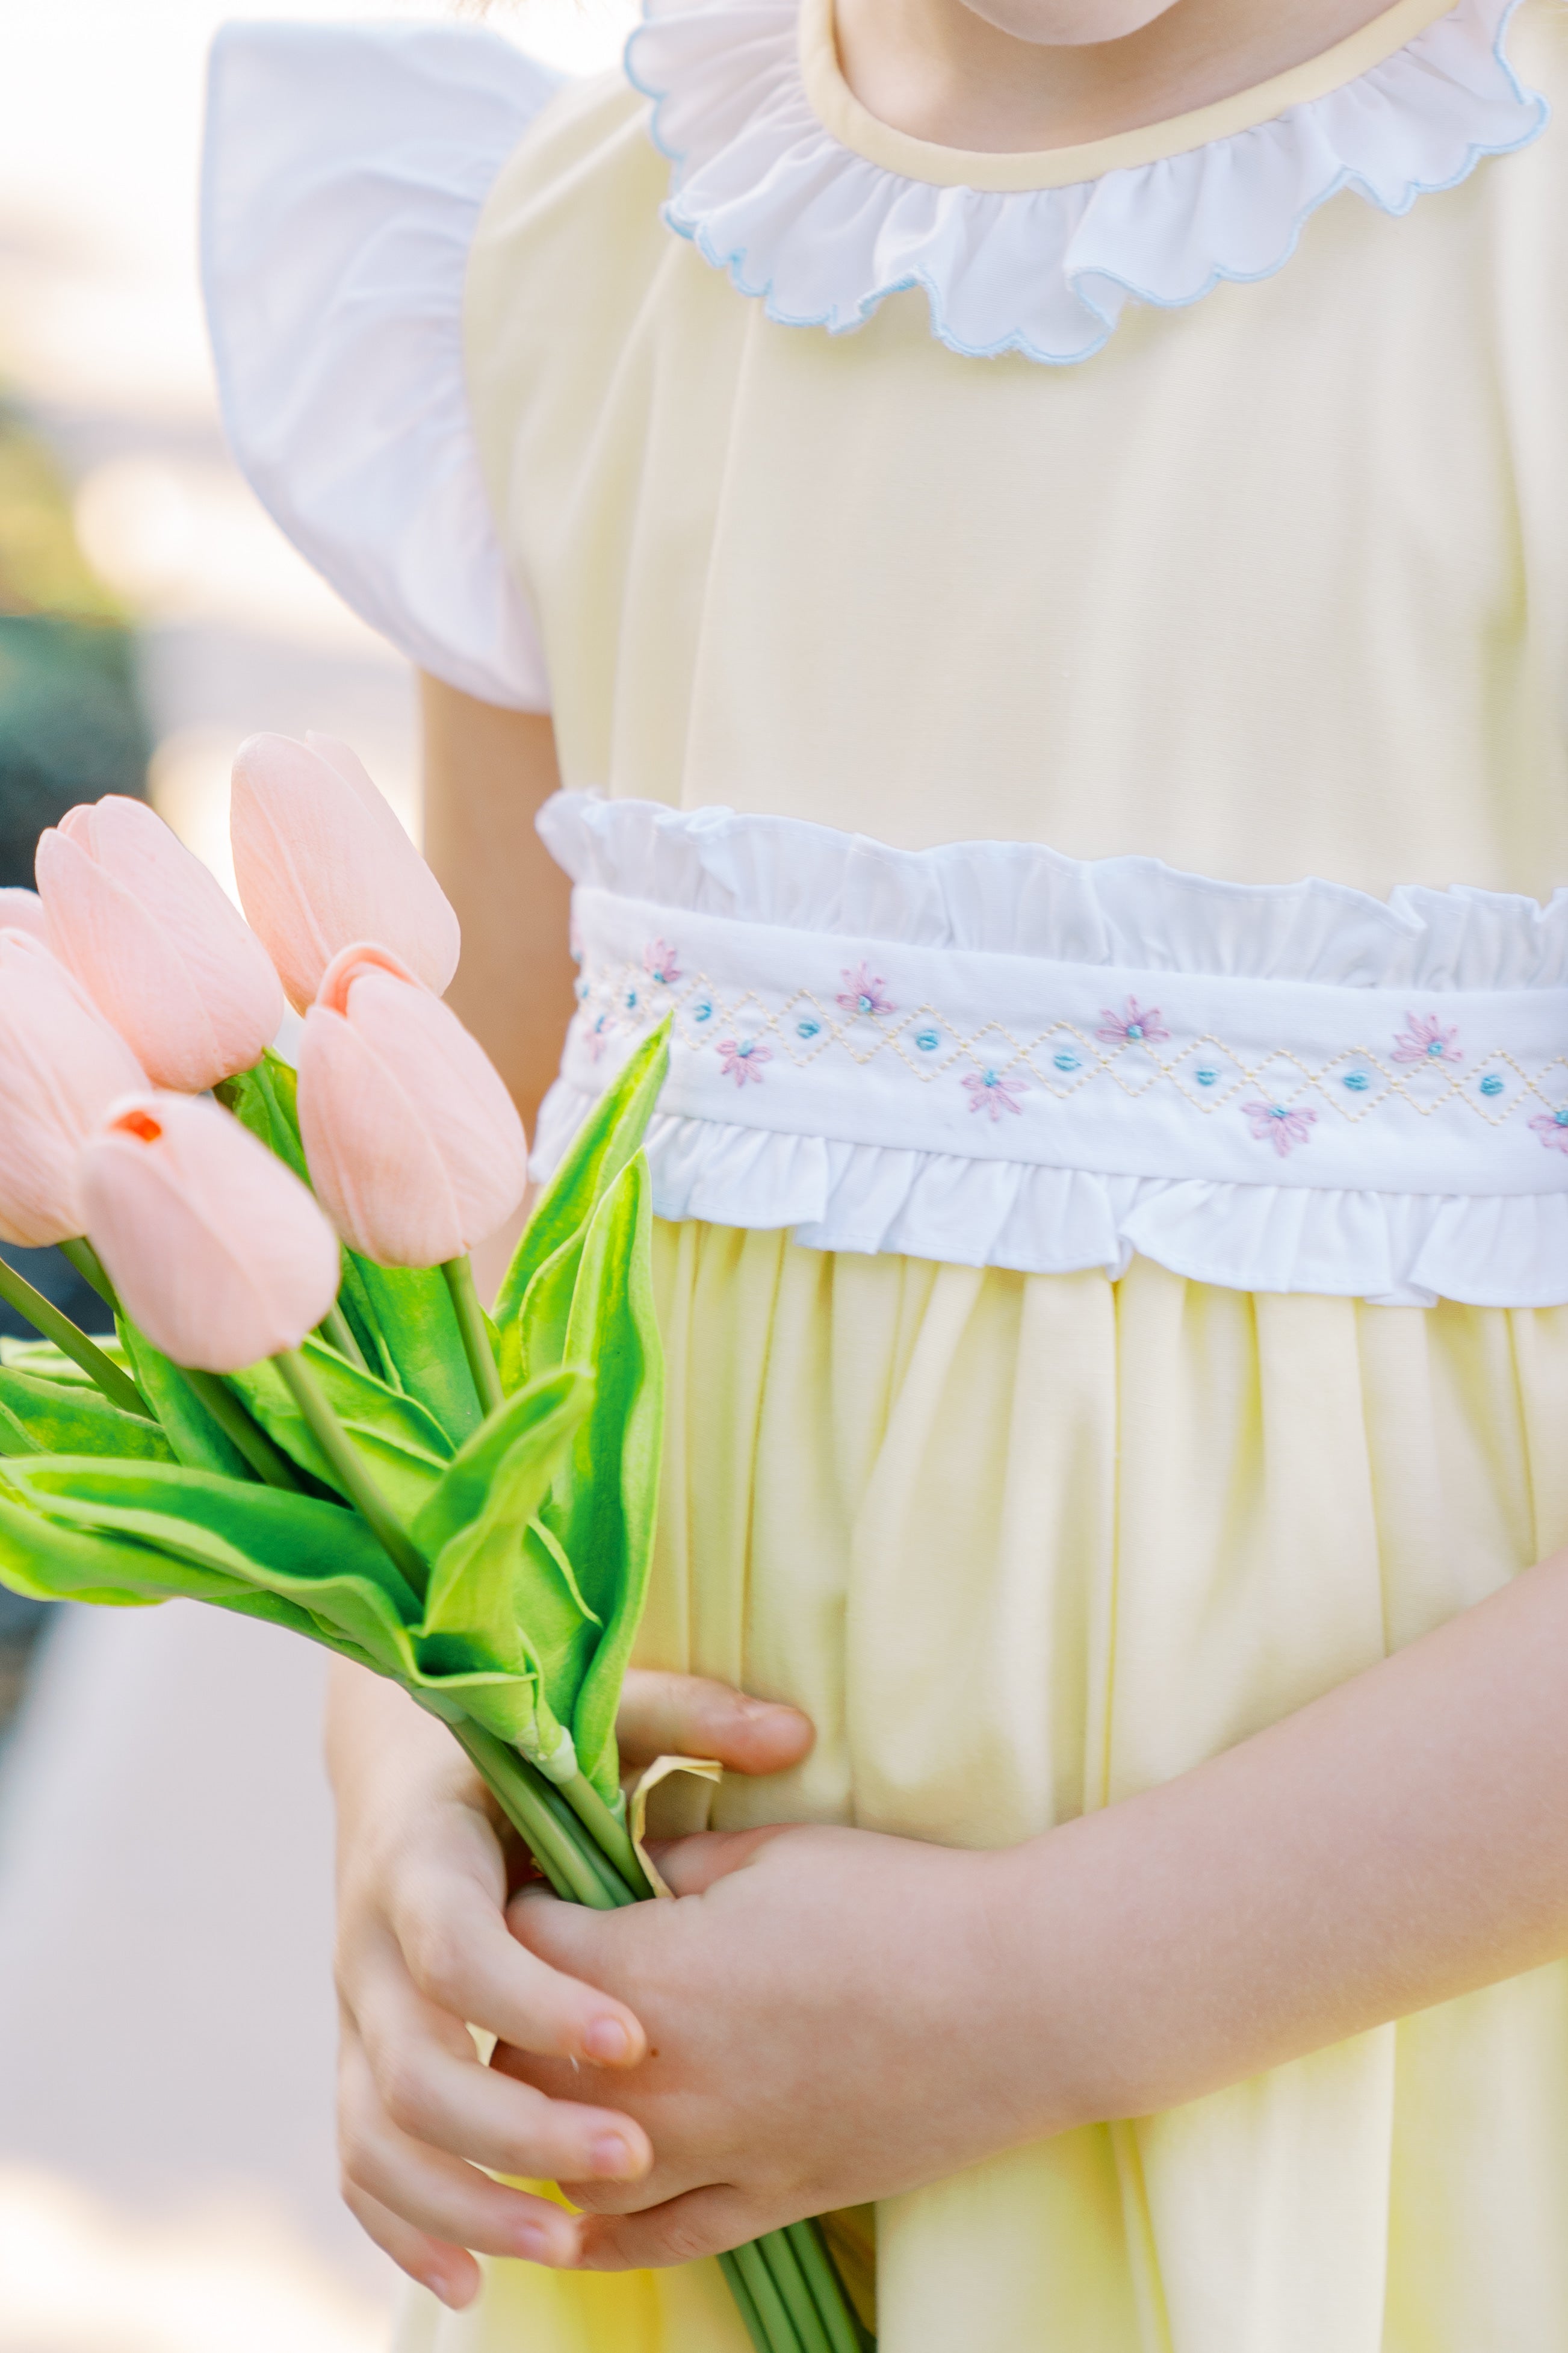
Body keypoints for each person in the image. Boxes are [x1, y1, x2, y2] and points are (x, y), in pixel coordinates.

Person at [201, 0, 1568, 2345]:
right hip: (711, 2140)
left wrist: (1040, 1989)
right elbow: (462, 1245)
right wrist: (417, 1770)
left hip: (1379, 2116)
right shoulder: (582, 259)